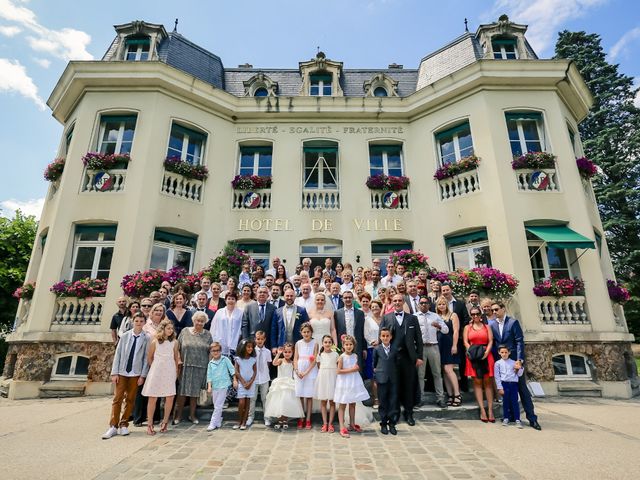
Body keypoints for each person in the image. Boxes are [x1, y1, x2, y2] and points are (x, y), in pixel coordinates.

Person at [489, 302, 541, 430]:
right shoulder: (492, 325)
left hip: (514, 361)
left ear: (503, 309)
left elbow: (519, 342)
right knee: (507, 390)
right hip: (502, 362)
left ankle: (532, 418)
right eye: (492, 310)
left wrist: (519, 360)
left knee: (522, 389)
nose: (494, 312)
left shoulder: (512, 322)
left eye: (496, 309)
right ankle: (511, 415)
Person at [102, 312, 150, 439]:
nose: (139, 323)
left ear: (144, 323)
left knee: (130, 399)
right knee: (117, 398)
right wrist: (115, 372)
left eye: (141, 321)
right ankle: (113, 425)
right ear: (133, 322)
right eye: (136, 321)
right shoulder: (125, 336)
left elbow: (146, 358)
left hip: (136, 372)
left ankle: (124, 424)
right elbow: (118, 354)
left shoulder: (147, 338)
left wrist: (143, 375)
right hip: (122, 372)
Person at [380, 294, 423, 426]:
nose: (397, 303)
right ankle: (394, 414)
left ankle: (409, 413)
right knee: (394, 387)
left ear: (403, 302)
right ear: (392, 303)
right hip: (392, 358)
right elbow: (381, 338)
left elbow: (419, 339)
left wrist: (419, 356)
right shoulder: (386, 318)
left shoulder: (412, 318)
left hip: (408, 358)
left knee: (409, 386)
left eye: (399, 300)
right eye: (395, 301)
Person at [142, 320, 181, 435]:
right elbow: (149, 358)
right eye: (168, 328)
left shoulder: (174, 342)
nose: (170, 330)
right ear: (162, 329)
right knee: (153, 397)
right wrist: (156, 367)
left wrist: (175, 372)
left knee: (170, 397)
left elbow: (175, 358)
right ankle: (150, 424)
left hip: (169, 371)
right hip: (156, 371)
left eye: (171, 329)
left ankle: (165, 422)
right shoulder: (155, 342)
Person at [173, 311, 212, 425]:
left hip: (201, 367)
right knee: (182, 392)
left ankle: (192, 415)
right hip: (185, 366)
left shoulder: (208, 334)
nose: (199, 323)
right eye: (197, 320)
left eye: (202, 321)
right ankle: (178, 416)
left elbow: (210, 352)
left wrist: (209, 367)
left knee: (195, 393)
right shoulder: (185, 332)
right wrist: (179, 361)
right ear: (193, 320)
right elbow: (177, 347)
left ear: (205, 323)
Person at [415, 296, 449, 408]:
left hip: (433, 346)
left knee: (437, 373)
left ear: (429, 304)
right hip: (420, 348)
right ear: (418, 304)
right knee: (420, 374)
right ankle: (420, 398)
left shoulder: (435, 316)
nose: (424, 304)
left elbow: (446, 330)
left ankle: (440, 398)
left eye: (426, 303)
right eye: (421, 303)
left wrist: (438, 326)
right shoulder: (414, 317)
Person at [334, 335, 370, 438]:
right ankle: (342, 426)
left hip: (353, 381)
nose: (348, 346)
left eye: (350, 344)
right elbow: (338, 371)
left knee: (353, 403)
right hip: (344, 382)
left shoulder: (355, 356)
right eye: (346, 344)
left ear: (353, 345)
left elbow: (355, 367)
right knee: (343, 404)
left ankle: (352, 424)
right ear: (343, 345)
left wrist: (354, 370)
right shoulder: (341, 357)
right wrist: (352, 370)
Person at [464, 306, 495, 423]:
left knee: (488, 382)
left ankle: (490, 410)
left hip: (486, 355)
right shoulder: (468, 327)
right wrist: (472, 351)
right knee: (477, 382)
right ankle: (482, 410)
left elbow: (491, 340)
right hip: (474, 356)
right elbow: (466, 341)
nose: (475, 316)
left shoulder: (487, 327)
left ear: (481, 315)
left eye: (477, 314)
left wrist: (486, 352)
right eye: (473, 314)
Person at [264, 343, 304, 429]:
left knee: (286, 402)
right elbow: (274, 363)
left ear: (292, 352)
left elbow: (296, 370)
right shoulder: (280, 360)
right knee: (279, 402)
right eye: (285, 352)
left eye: (289, 352)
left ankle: (285, 420)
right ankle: (279, 421)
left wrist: (299, 373)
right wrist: (278, 354)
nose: (287, 353)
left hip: (289, 383)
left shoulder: (293, 362)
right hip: (280, 383)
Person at [435, 296, 461, 407]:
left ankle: (457, 394)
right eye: (439, 304)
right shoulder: (436, 316)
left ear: (447, 305)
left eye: (443, 304)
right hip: (439, 345)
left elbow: (456, 331)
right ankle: (450, 395)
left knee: (448, 369)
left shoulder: (453, 315)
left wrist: (454, 345)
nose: (441, 306)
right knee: (444, 370)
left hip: (449, 344)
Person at [206, 342, 236, 431]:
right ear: (211, 352)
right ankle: (218, 420)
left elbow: (232, 369)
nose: (215, 352)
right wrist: (209, 386)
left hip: (224, 385)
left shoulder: (225, 359)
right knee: (216, 404)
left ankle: (212, 423)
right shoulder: (210, 363)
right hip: (215, 386)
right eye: (213, 351)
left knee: (218, 405)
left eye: (217, 350)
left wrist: (234, 380)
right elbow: (209, 375)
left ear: (221, 351)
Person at [334, 290, 366, 373]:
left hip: (357, 345)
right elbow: (336, 330)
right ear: (342, 299)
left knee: (358, 368)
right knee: (344, 367)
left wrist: (364, 348)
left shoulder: (360, 313)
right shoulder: (337, 313)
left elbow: (363, 331)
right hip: (343, 346)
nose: (348, 299)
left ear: (353, 299)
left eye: (349, 297)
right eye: (345, 298)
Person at [373, 327, 397, 435]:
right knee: (382, 402)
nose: (385, 338)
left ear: (391, 337)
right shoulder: (377, 349)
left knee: (392, 401)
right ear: (380, 337)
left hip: (393, 379)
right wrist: (377, 376)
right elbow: (374, 364)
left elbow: (397, 363)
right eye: (383, 336)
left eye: (387, 336)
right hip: (381, 378)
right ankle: (383, 423)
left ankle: (392, 423)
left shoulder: (395, 349)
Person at [294, 322, 318, 429]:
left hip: (310, 371)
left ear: (311, 332)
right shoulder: (298, 343)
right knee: (300, 396)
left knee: (308, 396)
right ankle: (301, 418)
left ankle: (308, 419)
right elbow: (295, 358)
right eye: (304, 332)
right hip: (300, 370)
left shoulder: (315, 343)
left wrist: (306, 372)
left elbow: (314, 360)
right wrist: (297, 370)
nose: (306, 333)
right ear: (301, 333)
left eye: (308, 332)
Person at [494, 345, 524, 428]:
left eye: (506, 352)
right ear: (499, 353)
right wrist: (499, 387)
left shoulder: (514, 362)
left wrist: (519, 368)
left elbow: (519, 374)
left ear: (509, 353)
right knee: (505, 402)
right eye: (502, 352)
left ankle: (517, 419)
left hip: (513, 384)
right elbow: (497, 376)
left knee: (514, 402)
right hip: (504, 384)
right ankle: (506, 418)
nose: (504, 354)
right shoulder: (497, 363)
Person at [314, 335, 339, 433]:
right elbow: (319, 366)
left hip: (332, 377)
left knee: (332, 402)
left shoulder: (336, 354)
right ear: (322, 343)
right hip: (323, 378)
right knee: (323, 401)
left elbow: (337, 366)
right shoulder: (320, 355)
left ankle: (330, 423)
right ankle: (325, 423)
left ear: (332, 344)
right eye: (325, 342)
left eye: (329, 342)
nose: (327, 344)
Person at [247, 331, 272, 427]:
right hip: (254, 378)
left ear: (264, 339)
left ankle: (267, 417)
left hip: (265, 378)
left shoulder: (268, 352)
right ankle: (250, 417)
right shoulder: (251, 351)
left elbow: (268, 364)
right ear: (255, 339)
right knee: (252, 399)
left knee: (265, 398)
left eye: (262, 339)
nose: (260, 341)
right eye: (258, 339)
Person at [210, 291, 243, 357]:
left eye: (233, 299)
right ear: (225, 300)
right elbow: (213, 327)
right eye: (229, 299)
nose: (231, 301)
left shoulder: (241, 312)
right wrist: (214, 341)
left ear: (236, 301)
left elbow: (242, 327)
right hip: (221, 342)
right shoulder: (220, 312)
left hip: (235, 342)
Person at [234, 338, 257, 430]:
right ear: (243, 347)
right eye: (248, 347)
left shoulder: (253, 359)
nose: (250, 349)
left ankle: (244, 421)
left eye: (251, 347)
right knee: (241, 402)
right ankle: (239, 421)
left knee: (247, 403)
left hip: (250, 384)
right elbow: (236, 371)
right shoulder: (238, 359)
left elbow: (255, 372)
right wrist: (243, 382)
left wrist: (250, 382)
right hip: (242, 383)